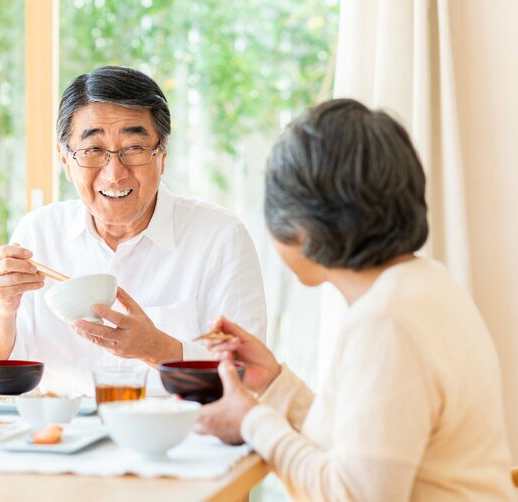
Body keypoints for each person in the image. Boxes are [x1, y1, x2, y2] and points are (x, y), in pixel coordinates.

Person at [196, 99, 514, 500]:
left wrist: (251, 420)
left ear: (306, 226)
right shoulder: (425, 284)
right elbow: (367, 449)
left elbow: (355, 495)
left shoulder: (387, 320)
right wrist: (275, 384)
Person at [0, 66, 267, 395]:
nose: (114, 174)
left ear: (162, 155)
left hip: (178, 438)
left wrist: (157, 348)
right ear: (66, 161)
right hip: (63, 436)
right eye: (93, 150)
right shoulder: (39, 233)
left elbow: (249, 379)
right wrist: (3, 307)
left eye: (134, 149)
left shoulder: (219, 237)